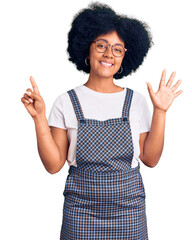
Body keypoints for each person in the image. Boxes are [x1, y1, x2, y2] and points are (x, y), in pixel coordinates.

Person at [21, 2, 183, 239]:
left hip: (129, 211)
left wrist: (161, 111)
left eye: (118, 49)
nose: (109, 54)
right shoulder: (66, 101)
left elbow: (150, 159)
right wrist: (38, 118)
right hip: (80, 211)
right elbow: (53, 165)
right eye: (101, 46)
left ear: (126, 56)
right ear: (87, 49)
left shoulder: (136, 101)